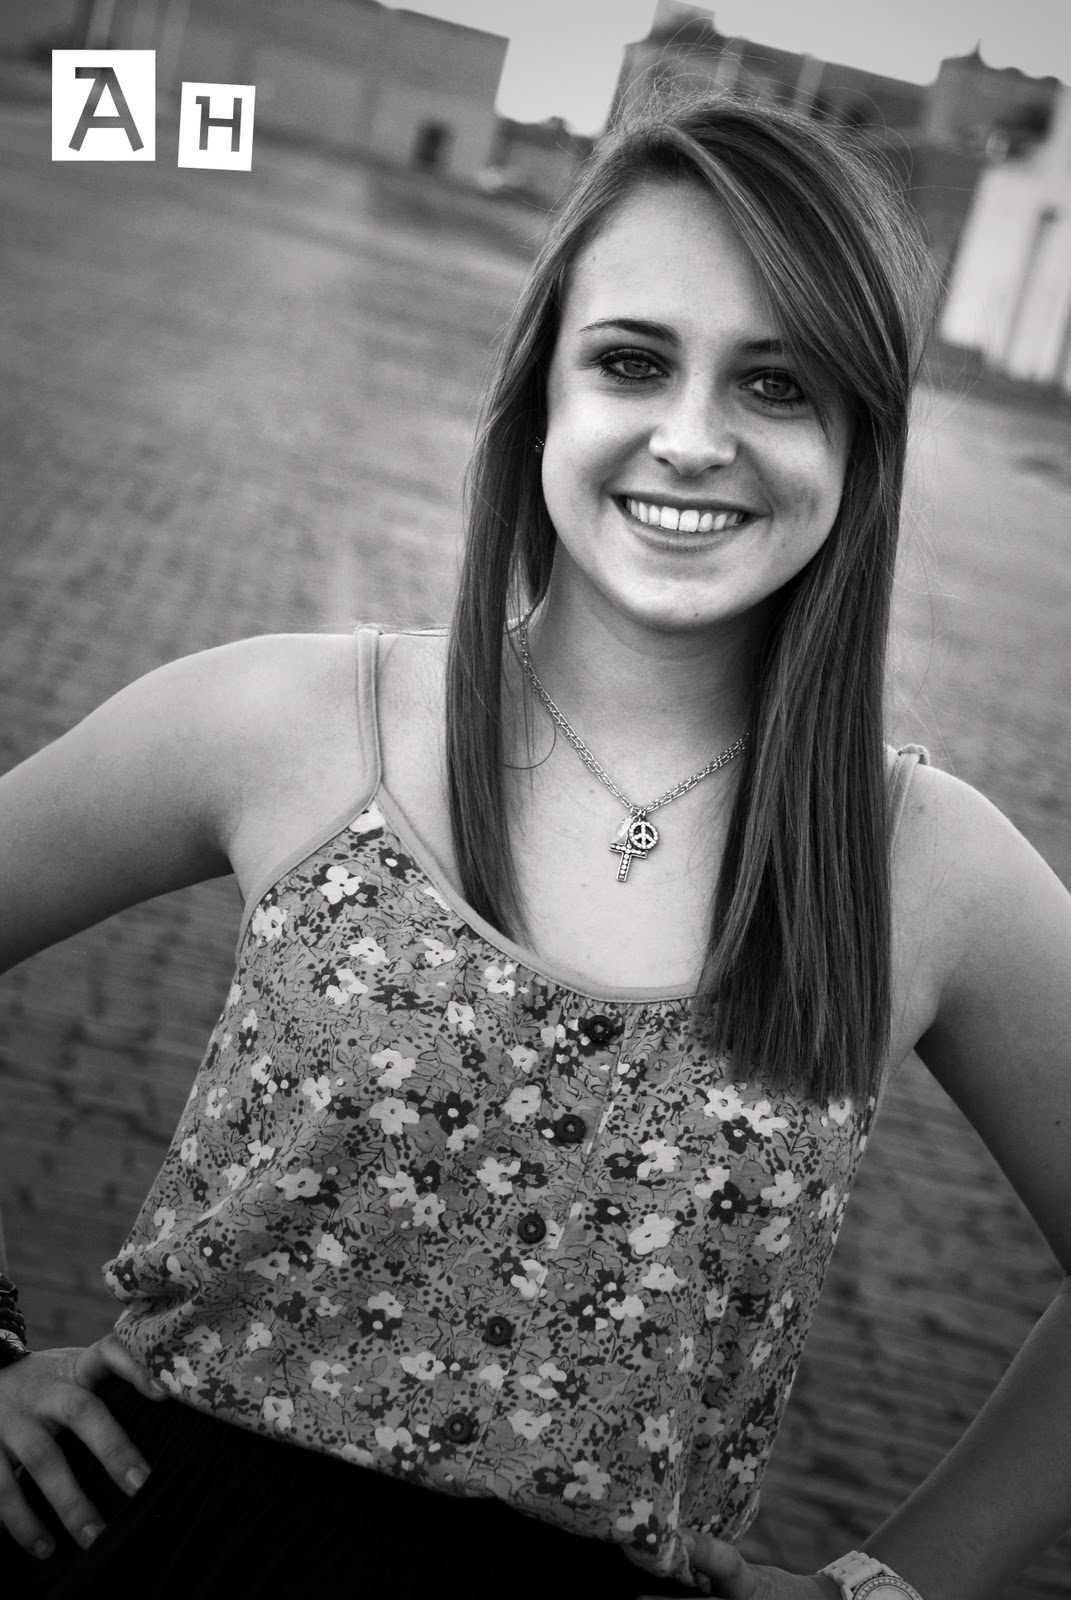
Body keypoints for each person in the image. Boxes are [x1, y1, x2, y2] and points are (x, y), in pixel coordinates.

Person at [0, 90, 1069, 1600]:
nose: (690, 439)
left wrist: (888, 1589)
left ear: (860, 444)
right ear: (542, 392)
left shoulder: (922, 865)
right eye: (632, 361)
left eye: (777, 384)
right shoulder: (290, 722)